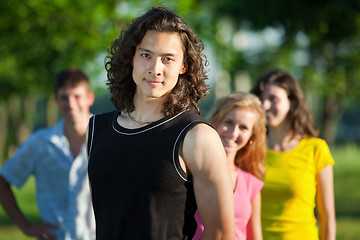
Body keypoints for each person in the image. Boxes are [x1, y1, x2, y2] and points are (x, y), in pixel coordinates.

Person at [86, 6, 235, 240]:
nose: (155, 69)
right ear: (131, 58)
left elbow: (221, 233)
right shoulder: (97, 129)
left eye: (167, 59)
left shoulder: (197, 136)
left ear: (183, 66)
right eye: (146, 55)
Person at [0, 68, 96, 240]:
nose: (71, 104)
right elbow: (2, 180)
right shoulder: (39, 143)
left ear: (90, 98)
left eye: (77, 96)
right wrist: (25, 226)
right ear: (56, 101)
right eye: (64, 98)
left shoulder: (108, 138)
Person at [251, 70, 336, 240]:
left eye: (273, 98)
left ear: (292, 102)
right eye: (261, 98)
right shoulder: (251, 149)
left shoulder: (316, 149)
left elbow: (327, 217)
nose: (265, 105)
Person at [193, 92, 267, 240]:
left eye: (243, 128)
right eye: (229, 122)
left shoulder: (251, 184)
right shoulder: (191, 170)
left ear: (251, 138)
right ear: (216, 121)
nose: (233, 133)